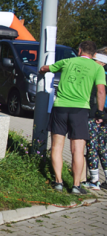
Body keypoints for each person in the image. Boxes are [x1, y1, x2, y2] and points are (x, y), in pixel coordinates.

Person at [40, 40, 106, 194]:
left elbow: (46, 68)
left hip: (60, 108)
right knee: (77, 150)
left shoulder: (67, 61)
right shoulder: (97, 68)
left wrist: (43, 70)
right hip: (80, 110)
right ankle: (76, 186)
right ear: (94, 54)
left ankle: (58, 182)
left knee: (57, 146)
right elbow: (101, 91)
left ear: (80, 50)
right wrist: (100, 112)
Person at [83, 49, 107, 190]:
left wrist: (99, 113)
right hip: (103, 116)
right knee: (102, 148)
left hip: (95, 115)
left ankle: (94, 180)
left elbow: (99, 94)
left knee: (92, 146)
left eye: (95, 61)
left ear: (102, 63)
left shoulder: (98, 75)